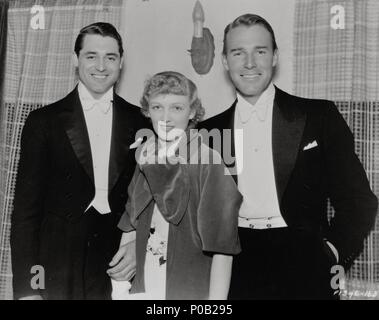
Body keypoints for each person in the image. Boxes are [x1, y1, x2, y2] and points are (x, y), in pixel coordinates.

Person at [199, 14, 378, 300]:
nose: (249, 63)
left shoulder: (318, 117)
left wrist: (331, 252)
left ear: (275, 57)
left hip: (305, 262)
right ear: (224, 61)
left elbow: (359, 201)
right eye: (238, 53)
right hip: (236, 264)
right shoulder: (207, 132)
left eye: (260, 51)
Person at [11, 22, 148, 300]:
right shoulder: (43, 122)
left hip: (116, 262)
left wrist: (137, 244)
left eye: (110, 57)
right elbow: (26, 213)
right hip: (56, 262)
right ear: (76, 60)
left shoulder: (141, 121)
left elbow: (152, 199)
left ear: (121, 62)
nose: (101, 66)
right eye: (91, 56)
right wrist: (29, 290)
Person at [116, 71, 242, 300]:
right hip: (145, 283)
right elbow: (130, 222)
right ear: (147, 111)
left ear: (192, 111)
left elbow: (223, 248)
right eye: (157, 108)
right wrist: (120, 286)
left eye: (176, 108)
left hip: (189, 285)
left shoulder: (208, 161)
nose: (166, 117)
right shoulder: (145, 155)